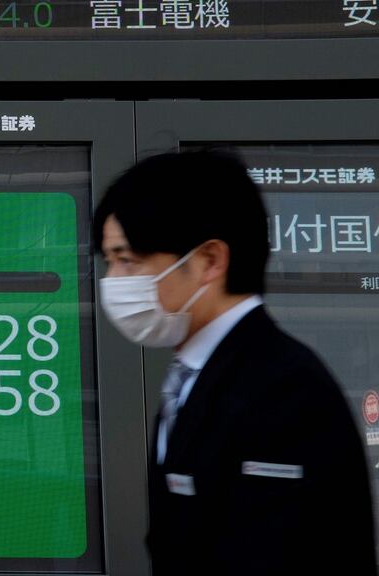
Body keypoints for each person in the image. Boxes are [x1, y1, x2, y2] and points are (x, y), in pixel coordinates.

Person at [94, 149, 376, 575]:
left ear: (208, 260)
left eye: (129, 260)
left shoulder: (284, 390)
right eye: (109, 261)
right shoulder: (193, 376)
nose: (113, 282)